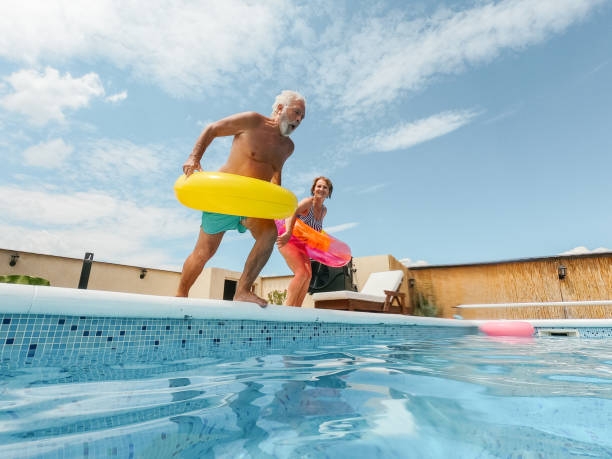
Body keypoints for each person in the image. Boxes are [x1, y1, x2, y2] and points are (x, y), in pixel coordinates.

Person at [176, 90, 306, 306]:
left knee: (269, 233)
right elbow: (213, 129)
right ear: (280, 108)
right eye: (297, 112)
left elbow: (275, 174)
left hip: (252, 205)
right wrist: (194, 157)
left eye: (302, 117)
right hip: (225, 197)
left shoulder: (287, 147)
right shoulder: (253, 121)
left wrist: (275, 208)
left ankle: (242, 290)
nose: (299, 119)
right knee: (204, 252)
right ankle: (180, 294)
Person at [276, 176, 333, 307]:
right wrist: (288, 232)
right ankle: (288, 308)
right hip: (289, 240)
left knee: (308, 276)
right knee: (301, 273)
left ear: (329, 192)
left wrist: (320, 249)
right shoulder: (308, 202)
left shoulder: (324, 211)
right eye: (319, 186)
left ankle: (297, 308)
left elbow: (315, 232)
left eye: (325, 187)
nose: (321, 189)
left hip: (303, 246)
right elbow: (292, 213)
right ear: (313, 189)